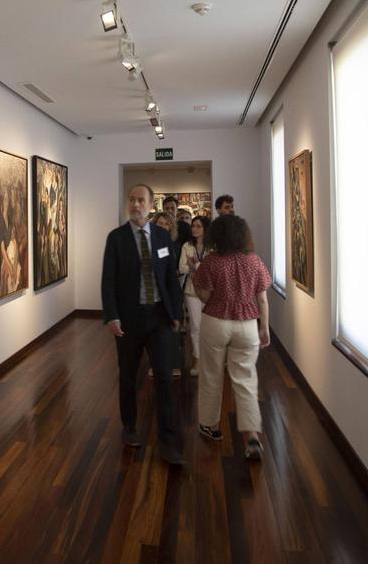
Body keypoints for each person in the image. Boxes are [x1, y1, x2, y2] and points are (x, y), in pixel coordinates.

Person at [101, 183, 185, 466]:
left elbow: (171, 279)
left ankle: (168, 440)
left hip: (159, 317)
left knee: (164, 377)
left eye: (141, 201)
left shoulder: (162, 237)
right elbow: (108, 280)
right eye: (132, 200)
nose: (135, 205)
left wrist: (176, 314)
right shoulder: (116, 238)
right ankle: (129, 427)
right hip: (129, 319)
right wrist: (111, 316)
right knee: (128, 375)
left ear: (151, 205)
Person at [192, 215, 271, 460]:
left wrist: (196, 276)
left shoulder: (210, 262)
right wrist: (264, 328)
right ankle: (252, 437)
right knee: (246, 380)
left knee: (211, 375)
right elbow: (262, 299)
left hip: (216, 323)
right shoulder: (254, 261)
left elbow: (204, 296)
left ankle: (210, 426)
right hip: (247, 326)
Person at [179, 215, 211, 377]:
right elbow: (181, 267)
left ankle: (210, 360)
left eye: (198, 226)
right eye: (193, 226)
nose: (194, 229)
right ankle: (198, 360)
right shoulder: (187, 246)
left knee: (210, 327)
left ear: (205, 228)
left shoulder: (212, 247)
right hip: (191, 291)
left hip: (210, 292)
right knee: (196, 327)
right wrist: (195, 267)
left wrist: (195, 265)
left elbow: (213, 269)